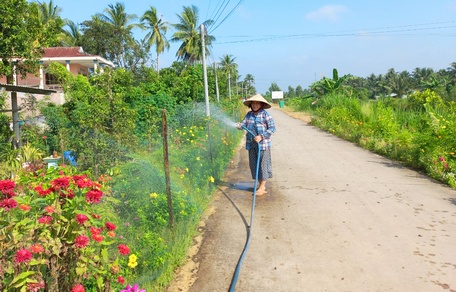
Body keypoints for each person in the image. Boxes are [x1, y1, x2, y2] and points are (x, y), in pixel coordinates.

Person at [237, 94, 276, 196]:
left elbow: (272, 128)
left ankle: (262, 187)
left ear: (261, 104)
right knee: (254, 165)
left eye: (257, 103)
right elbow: (243, 124)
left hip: (263, 145)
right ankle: (260, 186)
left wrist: (261, 136)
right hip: (252, 144)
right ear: (251, 104)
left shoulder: (265, 115)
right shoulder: (249, 115)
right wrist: (240, 126)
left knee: (263, 165)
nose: (255, 105)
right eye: (253, 103)